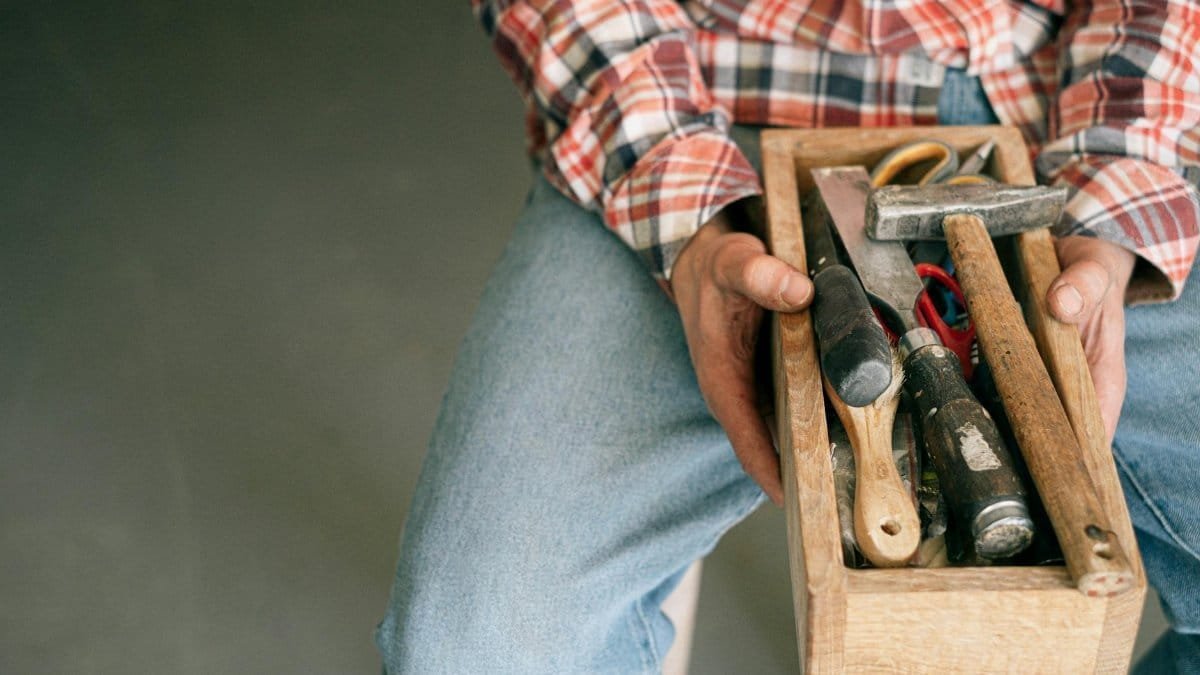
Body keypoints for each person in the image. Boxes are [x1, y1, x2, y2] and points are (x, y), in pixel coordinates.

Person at [378, 0, 1200, 671]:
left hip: (1054, 126)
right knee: (475, 642)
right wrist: (683, 209)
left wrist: (1117, 188)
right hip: (681, 109)